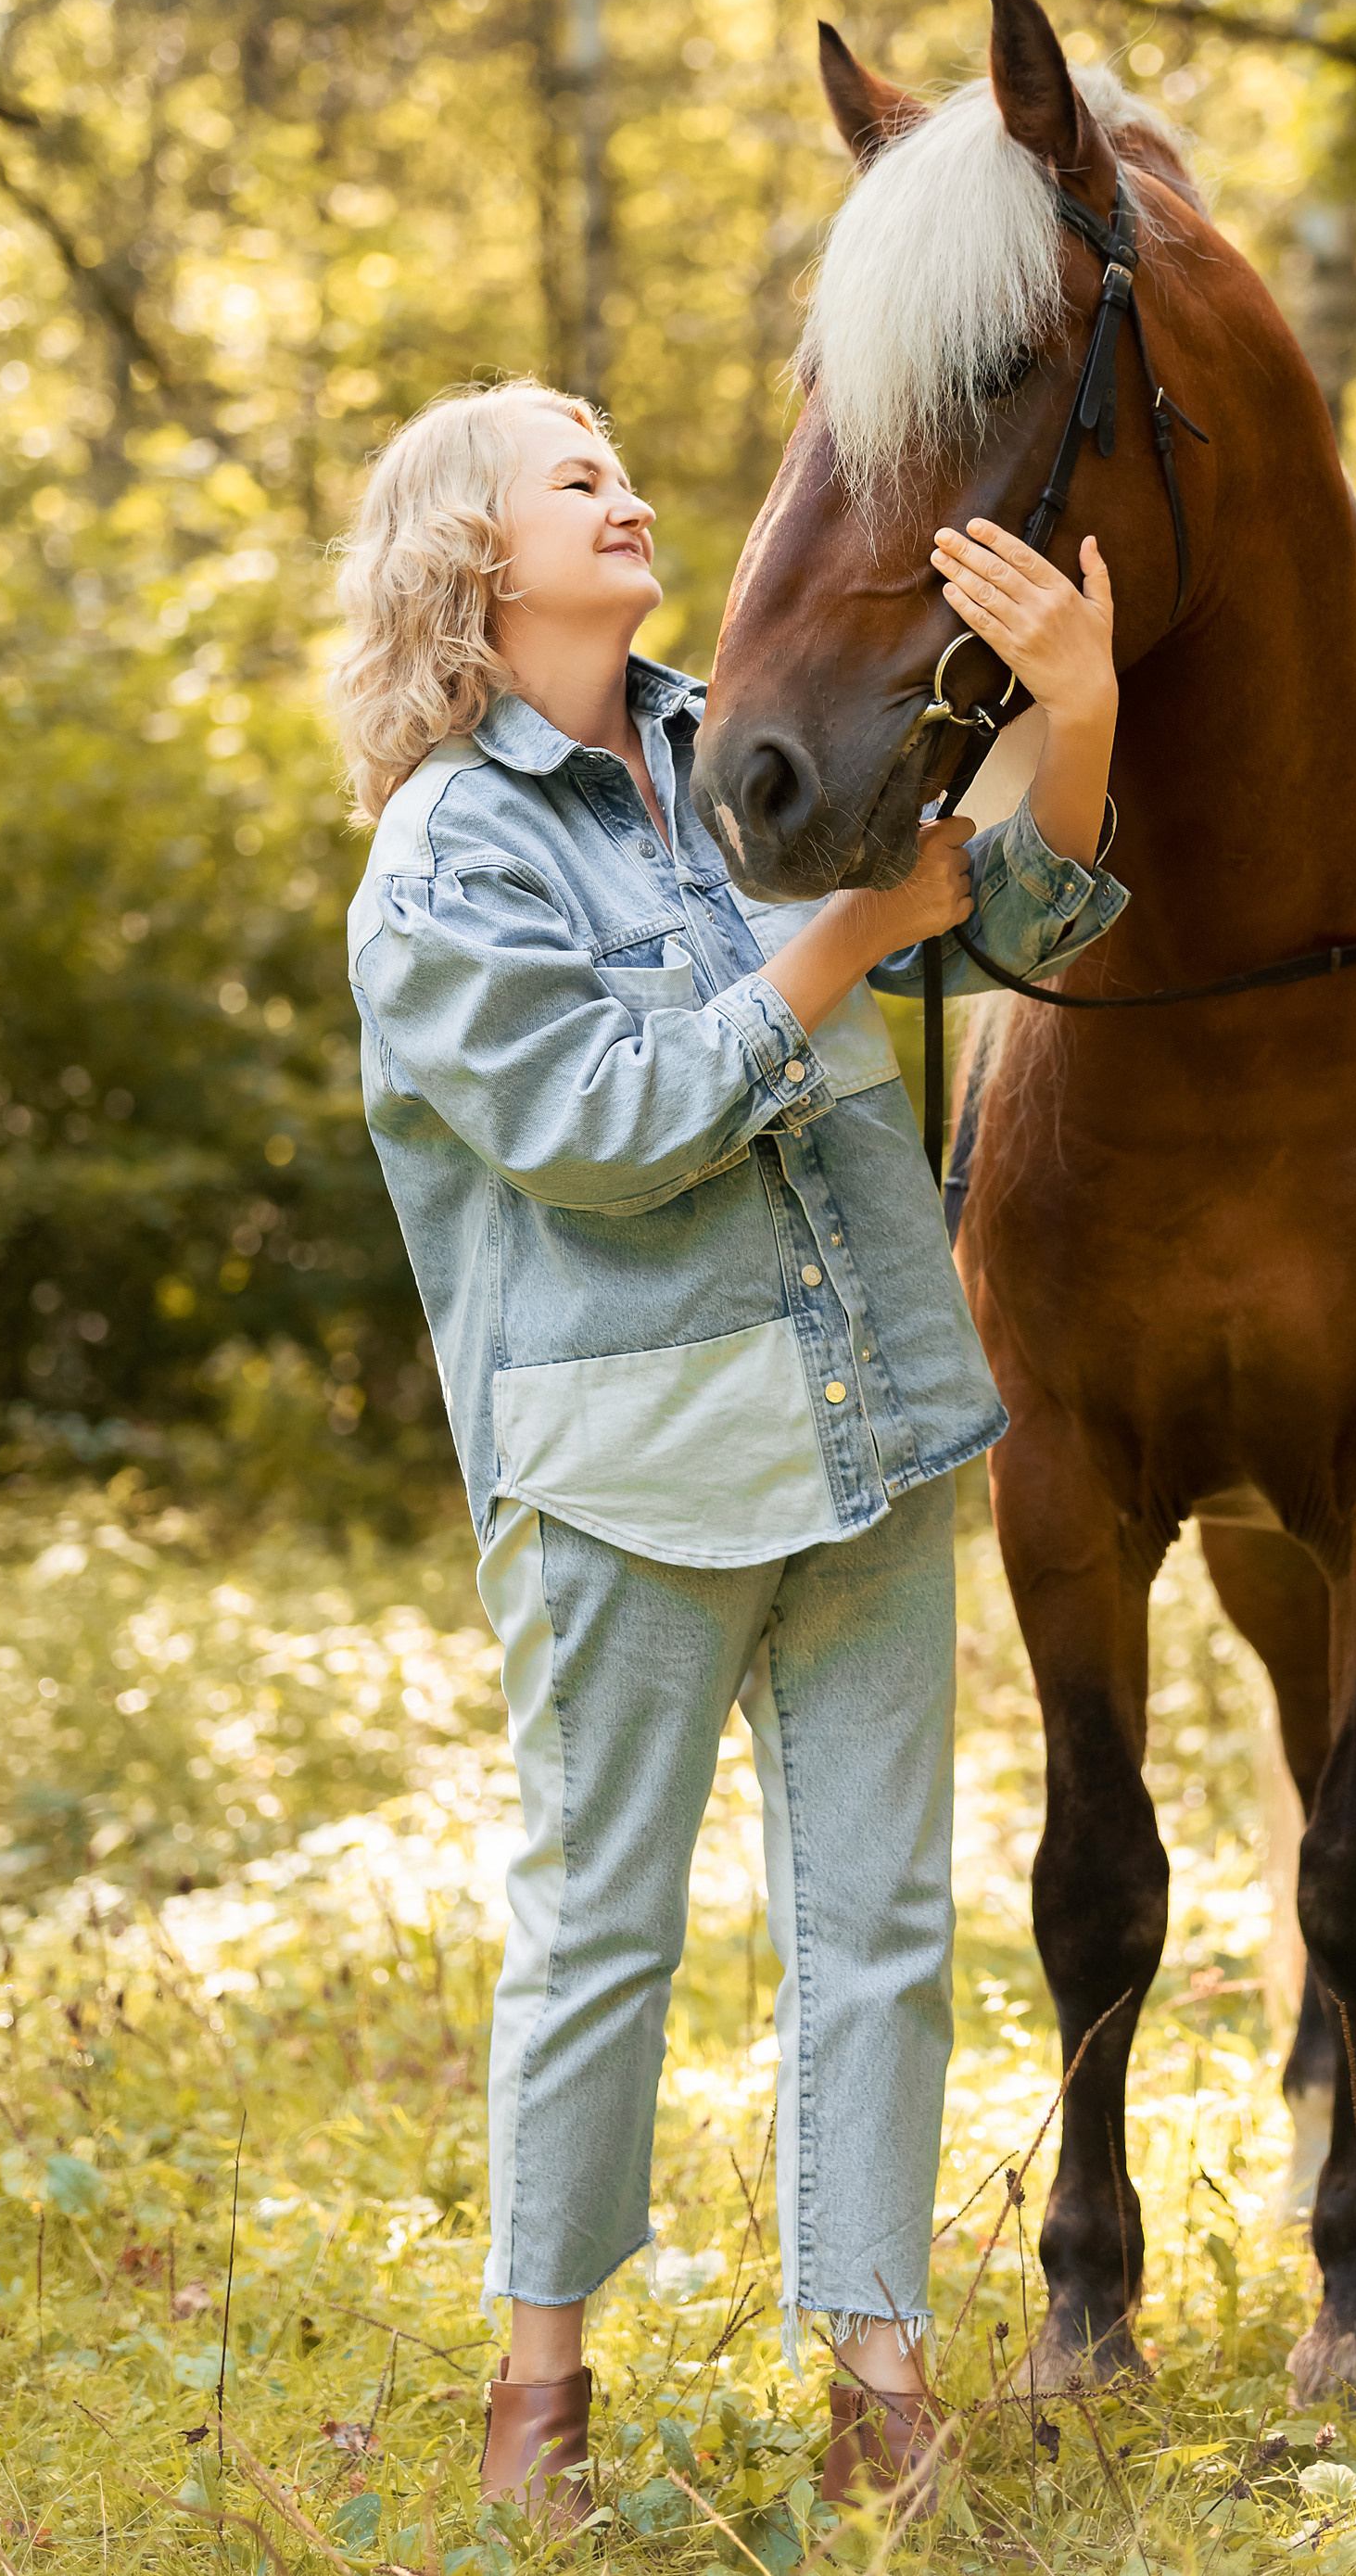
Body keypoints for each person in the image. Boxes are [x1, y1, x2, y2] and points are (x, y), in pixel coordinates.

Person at [333, 376, 1126, 2534]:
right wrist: (845, 943)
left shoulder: (750, 752)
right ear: (469, 552)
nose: (633, 493)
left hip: (870, 1425)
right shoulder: (445, 857)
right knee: (603, 1930)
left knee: (876, 1921)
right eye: (573, 477)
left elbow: (1033, 931)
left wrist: (1083, 700)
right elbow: (602, 1135)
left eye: (625, 466)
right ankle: (539, 2404)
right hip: (627, 1473)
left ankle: (882, 2382)